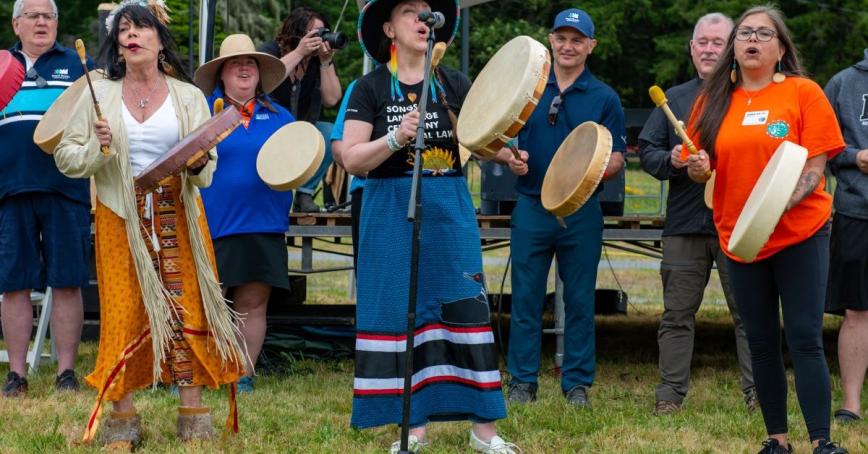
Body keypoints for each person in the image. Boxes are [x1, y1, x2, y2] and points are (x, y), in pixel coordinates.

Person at [53, 2, 244, 448]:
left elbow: (207, 167)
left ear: (160, 39)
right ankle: (123, 420)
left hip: (178, 215)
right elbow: (65, 157)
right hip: (120, 215)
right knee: (123, 311)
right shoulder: (99, 93)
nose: (131, 35)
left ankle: (192, 416)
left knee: (187, 307)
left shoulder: (187, 96)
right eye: (124, 30)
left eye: (141, 28)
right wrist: (97, 148)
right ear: (116, 44)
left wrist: (198, 162)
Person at [341, 1, 517, 453]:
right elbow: (352, 159)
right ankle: (413, 427)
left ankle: (484, 430)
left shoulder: (453, 83)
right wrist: (395, 137)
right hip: (389, 209)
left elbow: (480, 140)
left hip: (449, 207)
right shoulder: (368, 87)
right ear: (388, 29)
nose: (422, 19)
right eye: (410, 11)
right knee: (400, 310)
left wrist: (508, 155)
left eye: (427, 11)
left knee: (464, 305)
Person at [685, 6, 848, 454]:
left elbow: (815, 166)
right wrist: (697, 168)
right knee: (760, 340)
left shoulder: (803, 92)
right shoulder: (714, 100)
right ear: (733, 47)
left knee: (804, 337)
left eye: (763, 33)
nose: (752, 40)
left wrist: (778, 204)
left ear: (781, 49)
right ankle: (777, 440)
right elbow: (701, 168)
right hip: (740, 238)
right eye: (744, 33)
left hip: (800, 233)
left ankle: (822, 441)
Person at [502, 8, 626, 408]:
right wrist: (510, 158)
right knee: (525, 299)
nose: (568, 46)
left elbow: (618, 157)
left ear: (591, 46)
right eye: (562, 38)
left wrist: (595, 169)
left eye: (577, 40)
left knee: (579, 301)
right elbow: (502, 140)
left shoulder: (605, 97)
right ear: (551, 41)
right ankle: (522, 382)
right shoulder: (529, 88)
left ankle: (576, 384)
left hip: (581, 210)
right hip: (531, 205)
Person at [638, 12, 757, 415]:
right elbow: (648, 151)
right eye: (702, 42)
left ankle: (759, 394)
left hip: (739, 223)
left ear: (733, 49)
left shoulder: (751, 97)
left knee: (749, 314)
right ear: (691, 48)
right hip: (685, 224)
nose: (709, 49)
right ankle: (669, 396)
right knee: (676, 315)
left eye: (718, 42)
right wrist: (671, 160)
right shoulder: (674, 99)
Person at [0, 0, 92, 398]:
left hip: (66, 188)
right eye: (33, 16)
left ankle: (66, 373)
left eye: (48, 16)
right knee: (14, 285)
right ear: (16, 24)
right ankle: (16, 375)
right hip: (9, 189)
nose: (42, 22)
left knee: (68, 282)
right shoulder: (1, 65)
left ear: (57, 23)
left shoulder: (78, 65)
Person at [194, 34, 294, 394]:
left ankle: (242, 374)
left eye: (250, 63)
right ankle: (196, 372)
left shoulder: (281, 116)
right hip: (212, 222)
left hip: (264, 221)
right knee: (205, 301)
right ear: (221, 74)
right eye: (235, 63)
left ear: (260, 72)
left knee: (253, 302)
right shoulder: (202, 112)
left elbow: (298, 162)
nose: (243, 68)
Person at [260, 7, 342, 213]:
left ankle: (305, 192)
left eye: (323, 33)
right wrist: (298, 53)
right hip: (268, 126)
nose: (320, 39)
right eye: (314, 33)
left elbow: (332, 99)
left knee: (331, 133)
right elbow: (264, 82)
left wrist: (326, 62)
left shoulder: (317, 61)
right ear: (297, 32)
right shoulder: (271, 51)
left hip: (300, 128)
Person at [824, 49, 868, 424]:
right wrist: (855, 156)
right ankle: (851, 404)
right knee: (857, 310)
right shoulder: (843, 83)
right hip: (857, 211)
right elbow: (820, 145)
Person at [330, 79, 365, 269]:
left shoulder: (448, 82)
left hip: (431, 194)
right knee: (372, 276)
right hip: (370, 193)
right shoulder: (362, 86)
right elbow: (338, 149)